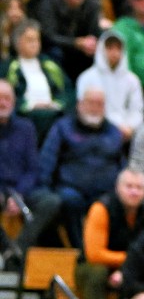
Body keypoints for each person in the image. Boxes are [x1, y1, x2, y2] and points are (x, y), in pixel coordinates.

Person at [38, 86, 125, 246]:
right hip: (70, 188)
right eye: (91, 103)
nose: (95, 108)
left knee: (115, 203)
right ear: (79, 104)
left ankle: (104, 252)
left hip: (105, 191)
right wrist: (45, 186)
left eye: (100, 104)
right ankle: (81, 250)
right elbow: (47, 159)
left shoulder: (113, 132)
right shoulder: (62, 127)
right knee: (70, 201)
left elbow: (122, 165)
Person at [0, 78, 64, 257]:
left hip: (22, 189)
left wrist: (19, 194)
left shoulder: (26, 128)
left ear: (13, 102)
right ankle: (6, 247)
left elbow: (33, 169)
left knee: (51, 201)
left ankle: (17, 250)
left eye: (7, 98)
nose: (2, 103)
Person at [79, 169, 144, 299]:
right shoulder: (101, 209)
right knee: (97, 272)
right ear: (117, 188)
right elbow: (94, 255)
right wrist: (132, 260)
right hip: (96, 267)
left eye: (139, 188)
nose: (134, 192)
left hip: (135, 266)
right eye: (129, 187)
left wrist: (129, 267)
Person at [37, 0, 106, 81]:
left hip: (82, 51)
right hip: (58, 49)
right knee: (55, 52)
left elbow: (94, 32)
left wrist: (92, 43)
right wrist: (75, 43)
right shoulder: (49, 2)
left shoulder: (92, 4)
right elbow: (48, 36)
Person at [4, 20, 71, 140]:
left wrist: (56, 104)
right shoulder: (8, 68)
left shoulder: (50, 65)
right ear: (17, 42)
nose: (34, 44)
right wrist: (30, 105)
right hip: (25, 117)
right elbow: (6, 97)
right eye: (29, 40)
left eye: (37, 40)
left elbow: (68, 91)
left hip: (53, 115)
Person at [76, 30, 144, 142]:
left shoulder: (132, 80)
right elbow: (84, 109)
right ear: (101, 49)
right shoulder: (86, 77)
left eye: (118, 48)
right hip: (96, 131)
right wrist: (114, 128)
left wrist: (130, 127)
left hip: (128, 133)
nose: (114, 52)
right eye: (110, 48)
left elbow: (137, 110)